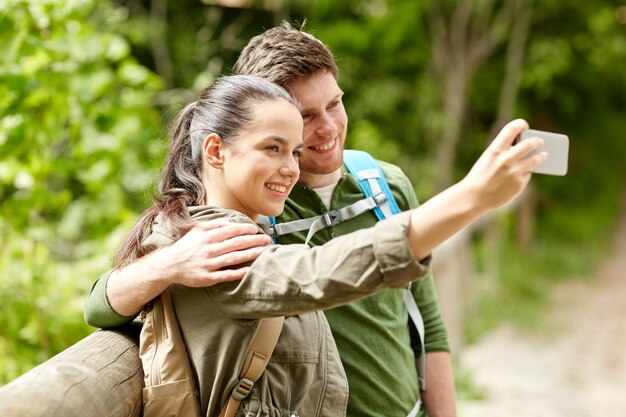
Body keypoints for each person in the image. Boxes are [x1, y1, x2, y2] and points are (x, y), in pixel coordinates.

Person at [84, 24, 543, 417]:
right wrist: (472, 196)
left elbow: (425, 318)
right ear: (217, 150)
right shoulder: (220, 231)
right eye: (284, 138)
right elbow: (317, 273)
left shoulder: (376, 184)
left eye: (334, 105)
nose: (323, 131)